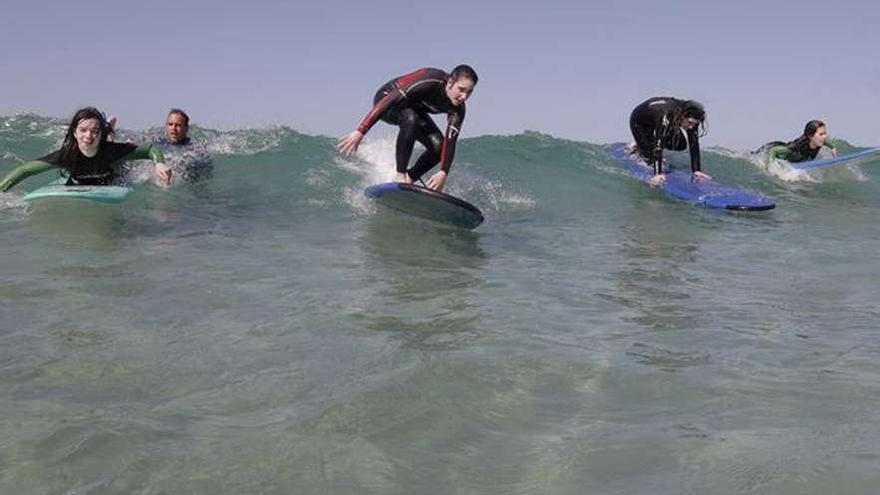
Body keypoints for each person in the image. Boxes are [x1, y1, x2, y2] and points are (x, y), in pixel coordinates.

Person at [337, 65, 478, 192]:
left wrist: (443, 172)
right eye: (461, 89)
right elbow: (391, 99)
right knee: (411, 118)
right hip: (388, 100)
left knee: (439, 146)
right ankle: (400, 175)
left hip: (413, 110)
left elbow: (450, 141)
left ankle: (409, 179)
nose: (464, 96)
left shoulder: (458, 109)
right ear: (451, 82)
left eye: (469, 92)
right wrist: (360, 131)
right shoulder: (431, 81)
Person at [0, 107, 171, 192]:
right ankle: (106, 128)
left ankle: (108, 130)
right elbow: (24, 170)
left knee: (116, 154)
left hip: (113, 169)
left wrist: (159, 163)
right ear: (74, 132)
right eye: (83, 130)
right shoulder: (66, 156)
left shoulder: (112, 152)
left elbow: (149, 149)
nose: (88, 136)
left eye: (94, 131)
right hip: (83, 173)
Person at [629, 97, 709, 185]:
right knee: (649, 158)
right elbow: (658, 145)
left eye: (694, 124)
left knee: (680, 145)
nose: (691, 127)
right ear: (683, 116)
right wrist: (657, 174)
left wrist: (696, 170)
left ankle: (647, 144)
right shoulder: (666, 115)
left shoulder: (692, 119)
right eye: (689, 123)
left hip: (666, 120)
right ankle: (638, 147)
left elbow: (694, 143)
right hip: (640, 122)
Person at [153, 108, 212, 181]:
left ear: (186, 128)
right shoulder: (158, 143)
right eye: (170, 124)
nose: (173, 128)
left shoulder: (193, 147)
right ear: (166, 126)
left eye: (178, 125)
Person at [759, 120, 837, 163]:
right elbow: (773, 150)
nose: (824, 137)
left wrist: (832, 147)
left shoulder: (818, 141)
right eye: (821, 134)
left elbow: (825, 142)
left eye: (825, 133)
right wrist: (770, 168)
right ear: (810, 136)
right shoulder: (798, 146)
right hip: (780, 150)